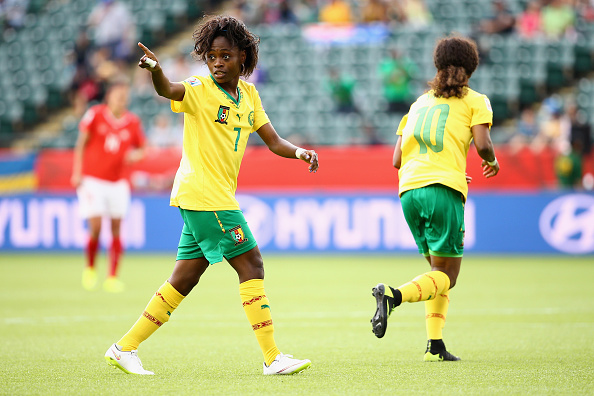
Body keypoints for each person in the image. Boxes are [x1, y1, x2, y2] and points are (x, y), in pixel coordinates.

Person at [104, 15, 318, 376]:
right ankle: (272, 357)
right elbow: (168, 90)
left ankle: (124, 347)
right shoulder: (199, 89)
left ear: (243, 57)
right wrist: (155, 70)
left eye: (226, 56)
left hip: (205, 198)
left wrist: (299, 152)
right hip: (206, 196)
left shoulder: (249, 94)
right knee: (252, 264)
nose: (218, 63)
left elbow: (273, 140)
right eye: (212, 56)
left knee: (184, 278)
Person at [370, 36, 500, 361]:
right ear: (471, 67)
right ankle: (393, 297)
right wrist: (492, 161)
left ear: (437, 65)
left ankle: (435, 345)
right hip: (441, 190)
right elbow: (483, 145)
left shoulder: (418, 103)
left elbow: (397, 158)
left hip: (409, 191)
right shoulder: (476, 100)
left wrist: (449, 169)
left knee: (436, 272)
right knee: (448, 276)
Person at [71, 78, 147, 293]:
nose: (122, 98)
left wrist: (136, 155)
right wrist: (77, 172)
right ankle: (90, 268)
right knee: (95, 226)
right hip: (93, 180)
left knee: (116, 228)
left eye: (125, 94)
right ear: (109, 96)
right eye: (118, 94)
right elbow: (81, 144)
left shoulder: (132, 122)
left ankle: (112, 276)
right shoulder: (95, 114)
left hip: (118, 182)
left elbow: (143, 149)